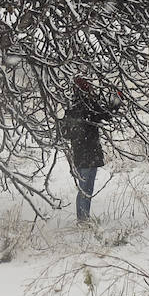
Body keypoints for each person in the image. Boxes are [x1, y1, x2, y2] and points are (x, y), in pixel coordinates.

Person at [62, 77, 111, 223]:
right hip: (89, 153)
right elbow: (106, 114)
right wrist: (115, 102)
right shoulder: (89, 106)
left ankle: (83, 218)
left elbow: (65, 133)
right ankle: (83, 219)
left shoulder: (72, 108)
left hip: (82, 153)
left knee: (85, 189)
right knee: (86, 189)